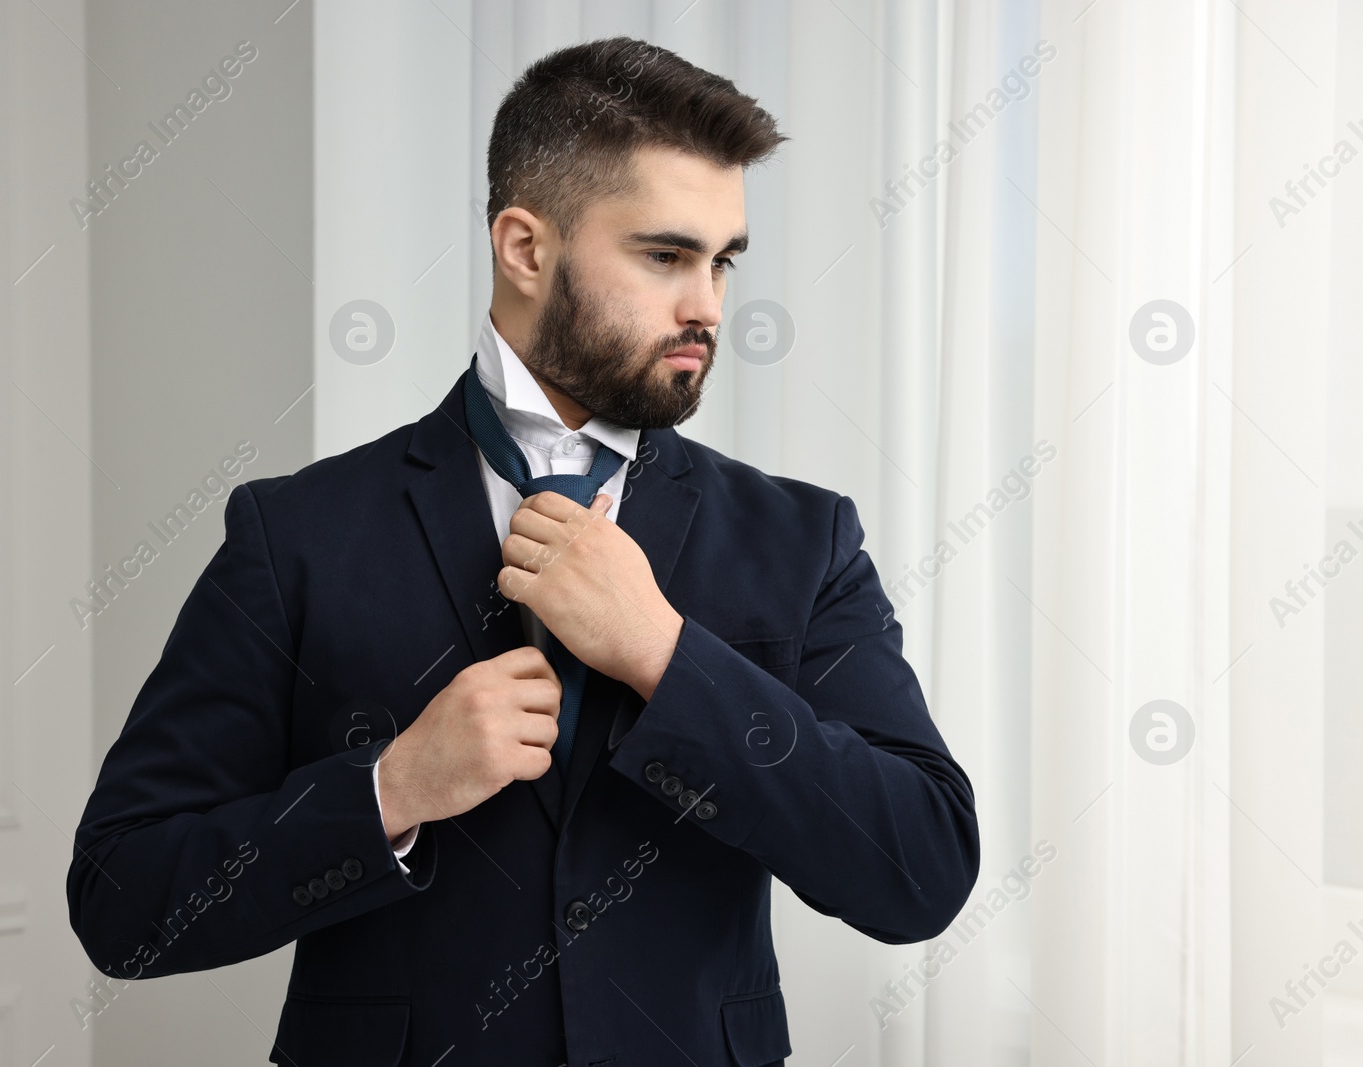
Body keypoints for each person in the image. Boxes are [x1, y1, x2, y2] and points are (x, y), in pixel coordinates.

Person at [67, 35, 979, 1067]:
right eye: (665, 255)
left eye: (722, 261)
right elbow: (121, 897)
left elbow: (921, 868)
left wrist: (669, 658)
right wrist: (391, 787)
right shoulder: (298, 534)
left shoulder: (802, 539)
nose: (709, 307)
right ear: (525, 247)